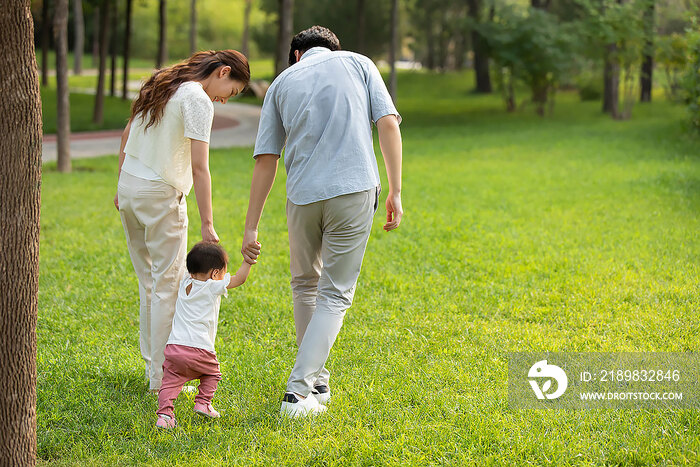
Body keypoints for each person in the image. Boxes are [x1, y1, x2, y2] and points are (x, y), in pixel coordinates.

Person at [240, 26, 404, 417]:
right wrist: (396, 191)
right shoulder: (359, 64)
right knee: (335, 293)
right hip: (354, 189)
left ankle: (317, 381)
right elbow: (388, 124)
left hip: (302, 197)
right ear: (335, 49)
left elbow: (266, 159)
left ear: (296, 54)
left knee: (304, 285)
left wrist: (251, 226)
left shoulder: (281, 83)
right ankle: (297, 393)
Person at [114, 50, 250, 392]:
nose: (222, 100)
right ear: (223, 72)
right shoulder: (197, 98)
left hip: (130, 188)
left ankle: (153, 370)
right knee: (167, 287)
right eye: (230, 91)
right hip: (161, 194)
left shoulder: (165, 82)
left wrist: (121, 184)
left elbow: (127, 134)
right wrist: (208, 222)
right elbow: (200, 167)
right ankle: (162, 377)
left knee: (149, 283)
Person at [155, 241, 254, 429]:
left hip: (174, 348)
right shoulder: (211, 286)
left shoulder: (185, 281)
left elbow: (196, 262)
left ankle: (165, 416)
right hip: (200, 348)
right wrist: (248, 261)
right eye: (224, 271)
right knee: (212, 374)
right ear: (215, 274)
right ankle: (203, 402)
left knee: (169, 382)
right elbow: (239, 279)